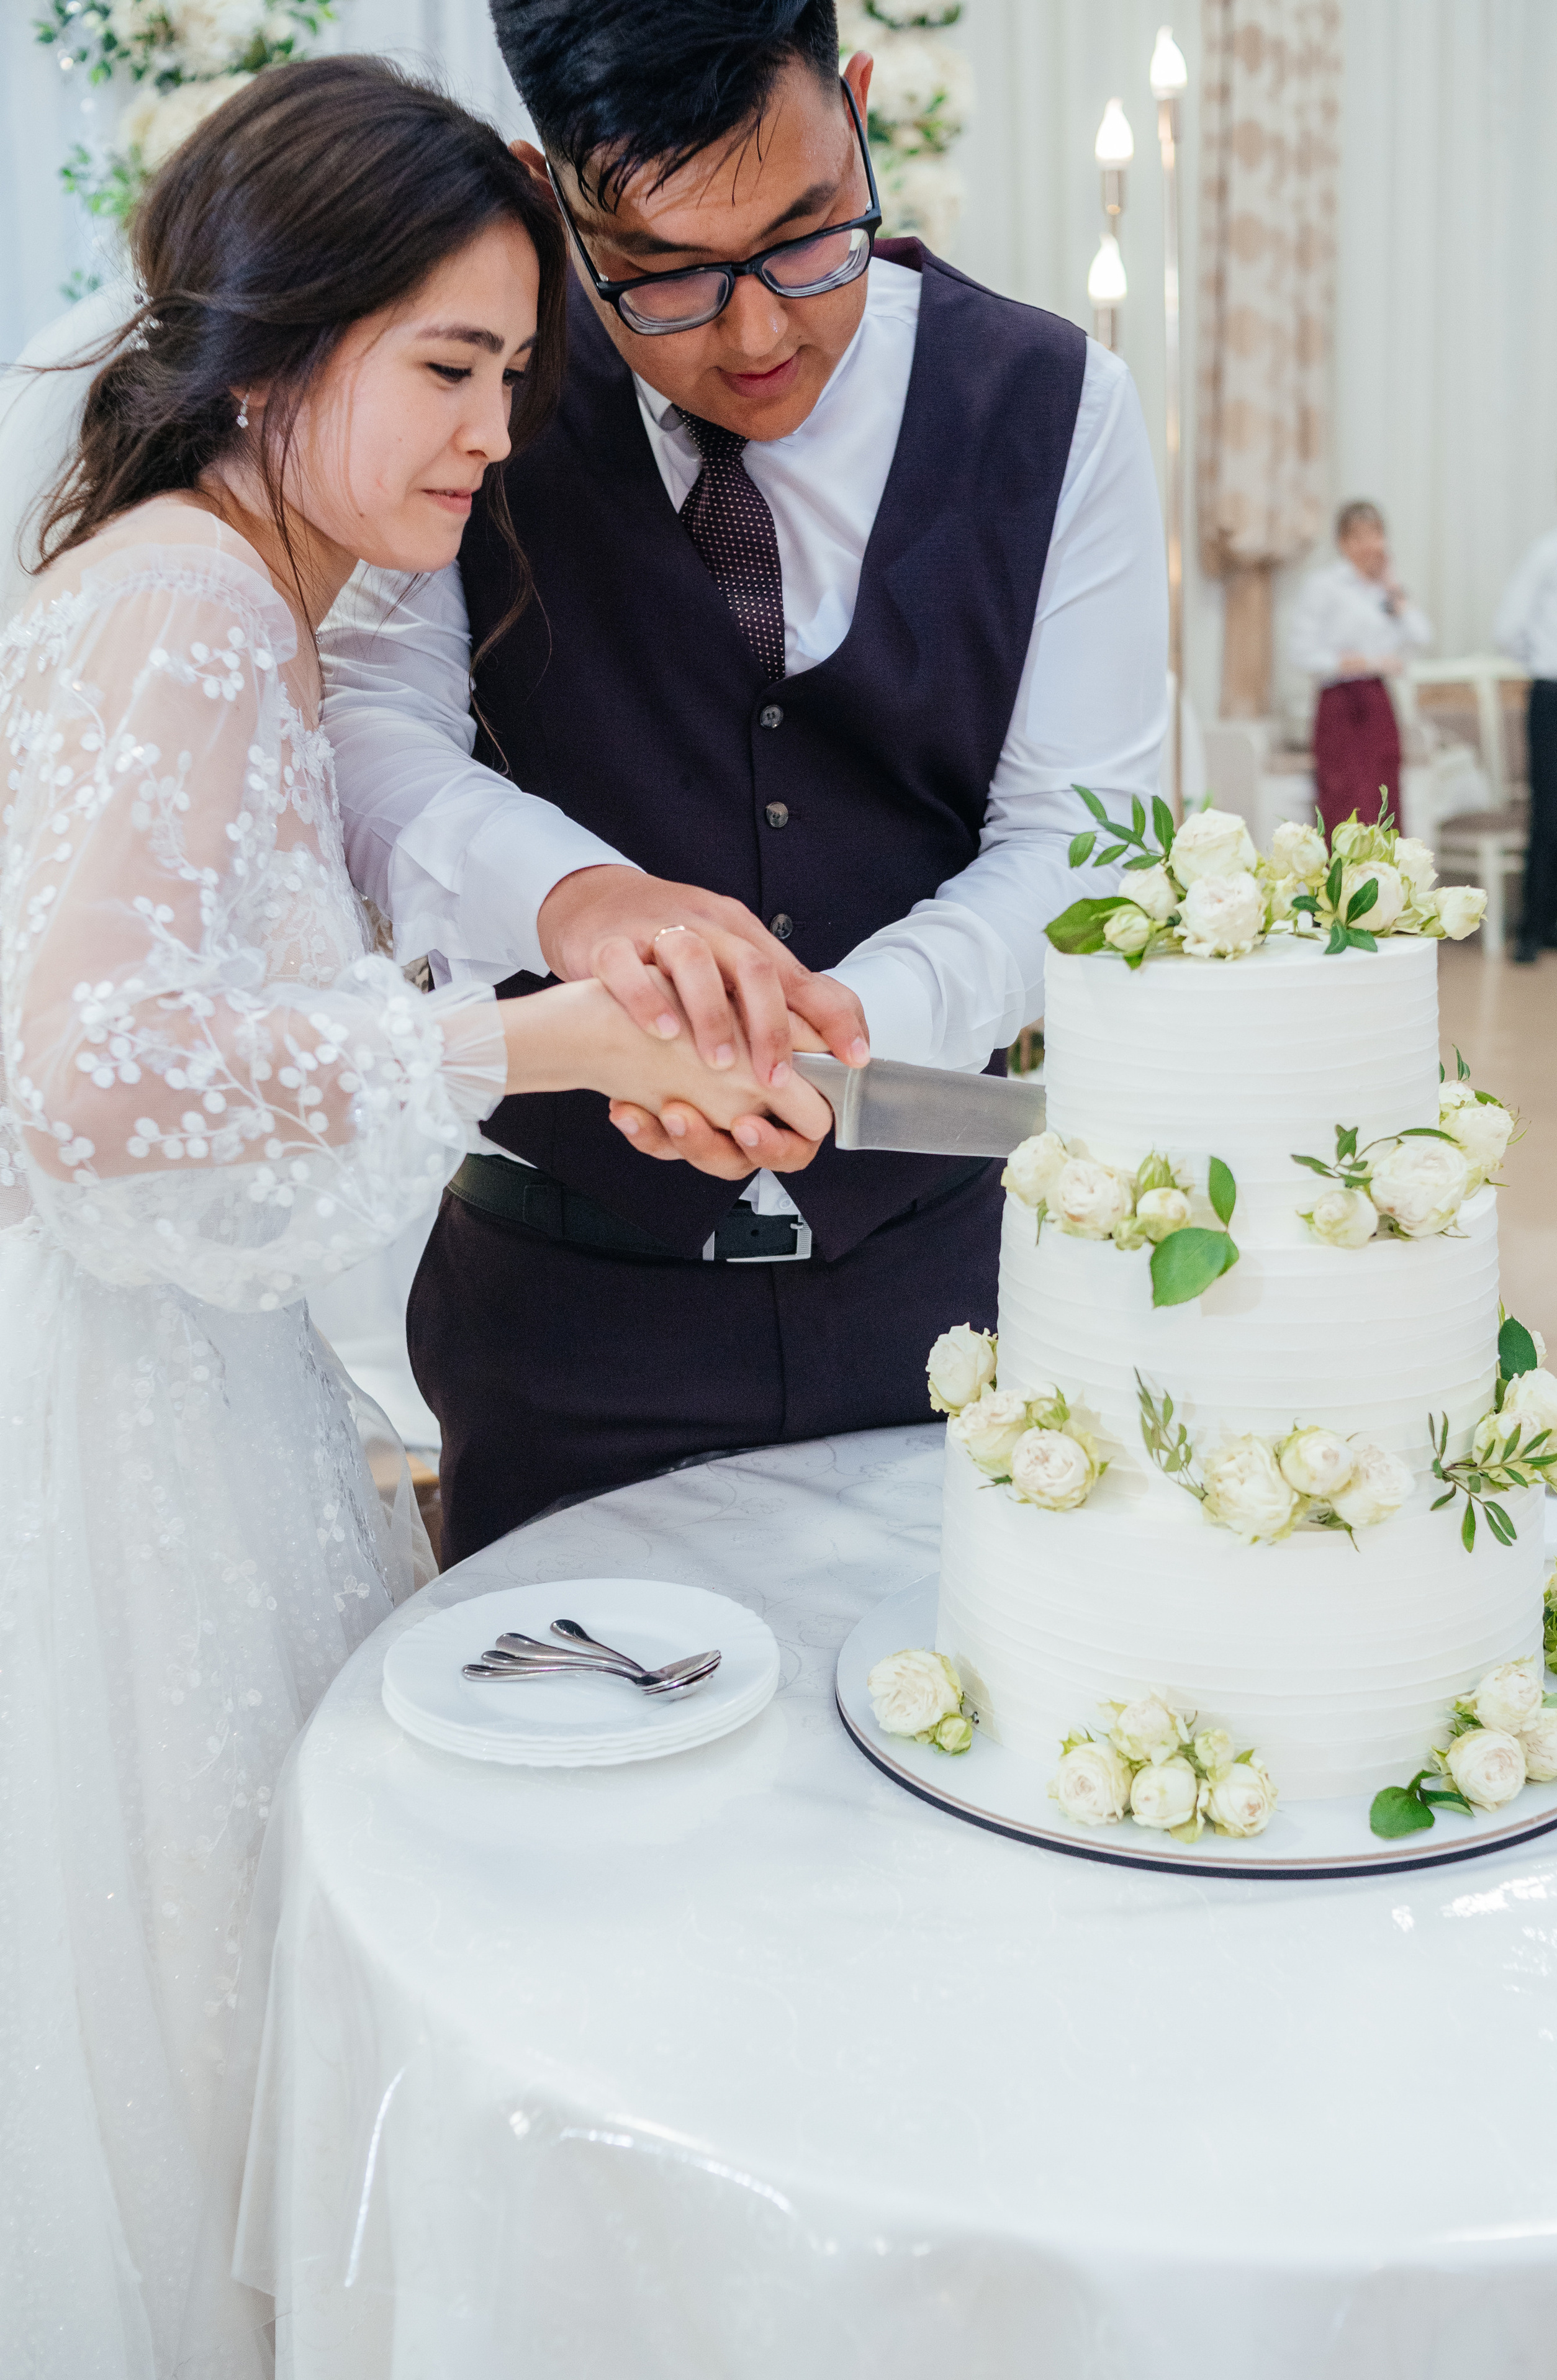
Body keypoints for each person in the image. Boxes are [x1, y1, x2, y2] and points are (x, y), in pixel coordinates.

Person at [0, 58, 830, 2379]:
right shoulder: (181, 602)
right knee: (186, 2031)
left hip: (191, 1387)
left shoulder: (228, 595)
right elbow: (80, 1086)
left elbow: (224, 1057)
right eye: (449, 369)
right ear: (276, 346)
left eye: (511, 380)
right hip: (132, 1435)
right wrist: (531, 1041)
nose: (489, 438)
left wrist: (560, 1051)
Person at [320, 0, 1169, 1561]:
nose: (758, 330)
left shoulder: (1055, 407)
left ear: (855, 110)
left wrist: (855, 1028)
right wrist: (576, 900)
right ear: (545, 183)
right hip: (557, 1308)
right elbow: (369, 732)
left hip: (950, 1293)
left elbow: (1086, 832)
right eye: (661, 273)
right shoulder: (471, 394)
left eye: (803, 236)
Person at [1288, 498, 1432, 842]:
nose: (1371, 545)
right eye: (1361, 537)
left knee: (1383, 800)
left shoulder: (1384, 591)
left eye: (1377, 535)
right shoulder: (1324, 586)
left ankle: (1387, 888)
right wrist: (1353, 661)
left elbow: (1422, 636)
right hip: (1339, 703)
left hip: (1378, 702)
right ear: (1344, 542)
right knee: (1342, 800)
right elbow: (1300, 651)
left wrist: (1393, 587)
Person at [1494, 456, 1557, 964]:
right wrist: (1550, 669)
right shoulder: (1548, 555)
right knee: (1549, 815)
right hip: (1555, 699)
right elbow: (1509, 626)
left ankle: (1554, 924)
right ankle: (1530, 930)